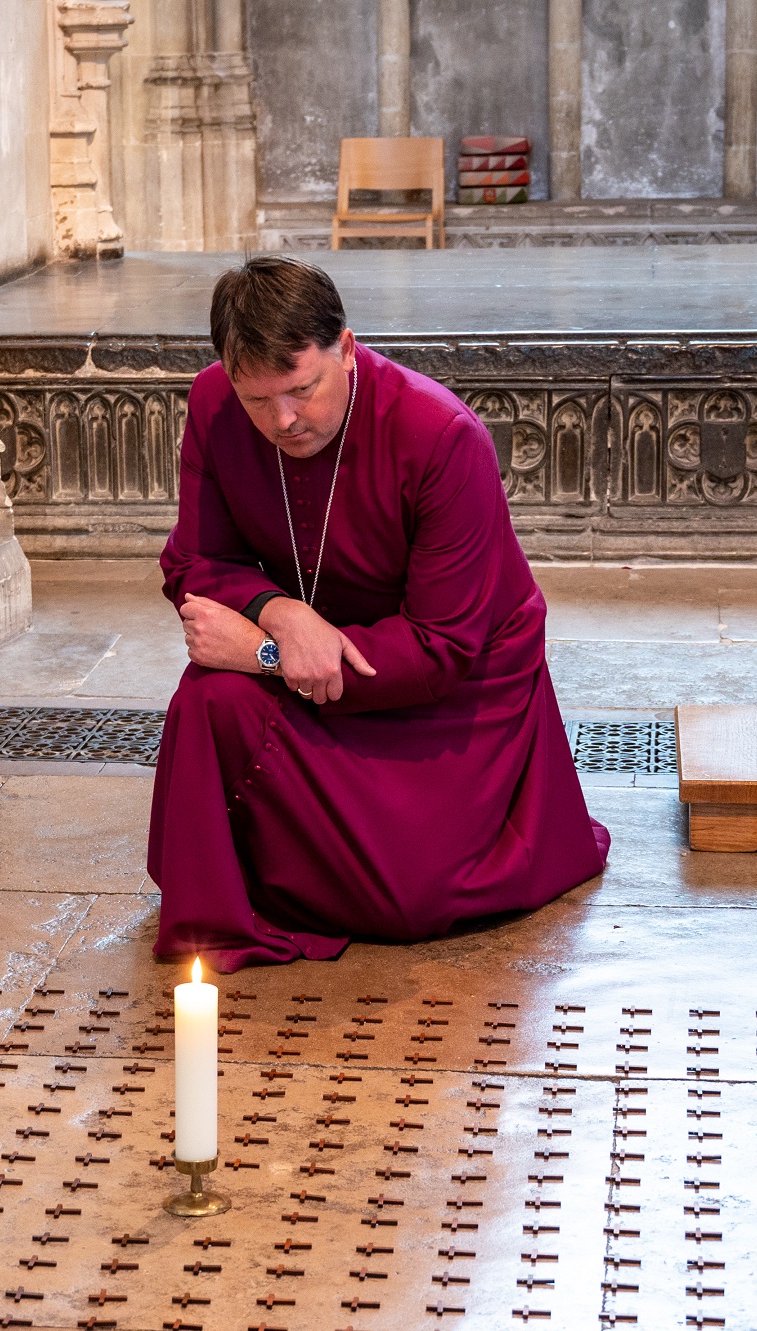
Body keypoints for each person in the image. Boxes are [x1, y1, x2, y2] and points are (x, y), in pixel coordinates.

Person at [148, 256, 609, 971]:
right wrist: (279, 613)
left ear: (348, 349)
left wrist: (266, 651)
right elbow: (197, 561)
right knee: (208, 702)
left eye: (303, 389)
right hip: (317, 653)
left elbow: (441, 646)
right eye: (257, 400)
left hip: (454, 693)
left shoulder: (441, 435)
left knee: (409, 902)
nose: (284, 421)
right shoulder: (212, 403)